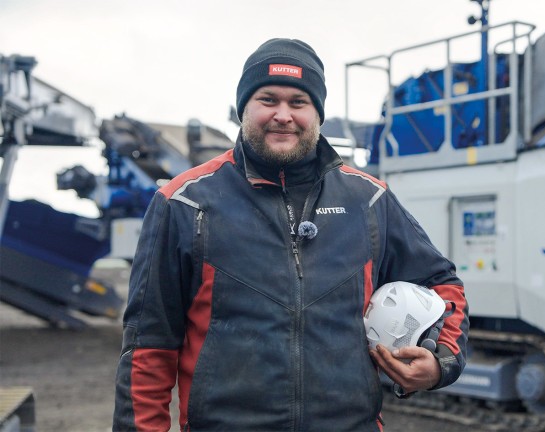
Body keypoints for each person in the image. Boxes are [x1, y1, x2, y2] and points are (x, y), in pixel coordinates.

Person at [113, 38, 469, 432]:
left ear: (316, 113)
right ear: (243, 108)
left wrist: (442, 361)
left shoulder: (368, 200)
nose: (283, 115)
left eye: (299, 103)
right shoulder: (184, 203)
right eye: (268, 99)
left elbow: (441, 284)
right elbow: (148, 347)